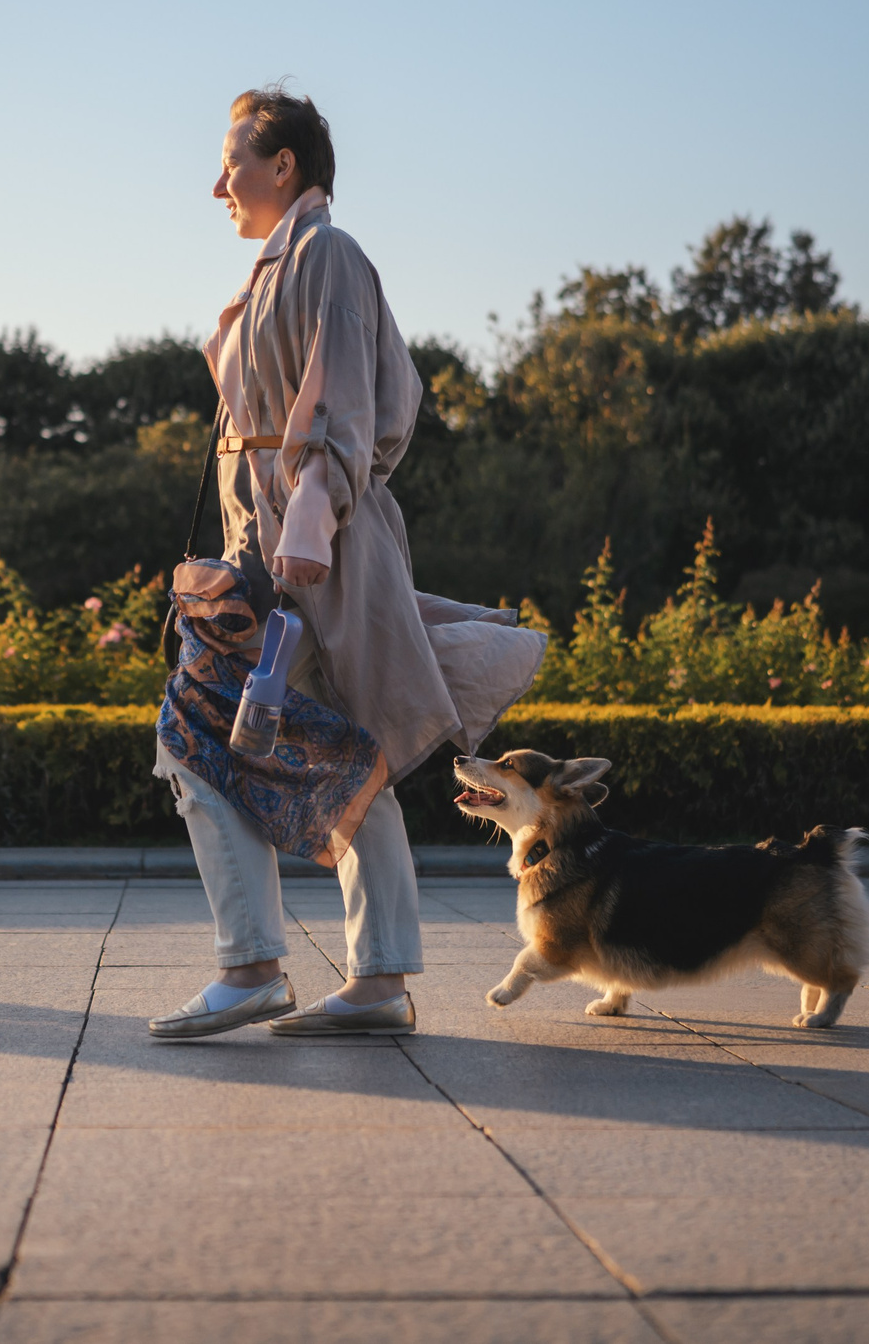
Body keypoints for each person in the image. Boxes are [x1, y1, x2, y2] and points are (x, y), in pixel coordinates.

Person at [148, 86, 545, 1040]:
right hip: (280, 545)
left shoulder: (325, 254)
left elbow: (345, 404)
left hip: (308, 547)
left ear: (283, 165)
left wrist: (311, 516)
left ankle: (264, 968)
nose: (218, 184)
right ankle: (366, 980)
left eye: (233, 161)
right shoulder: (281, 269)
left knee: (210, 737)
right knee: (335, 753)